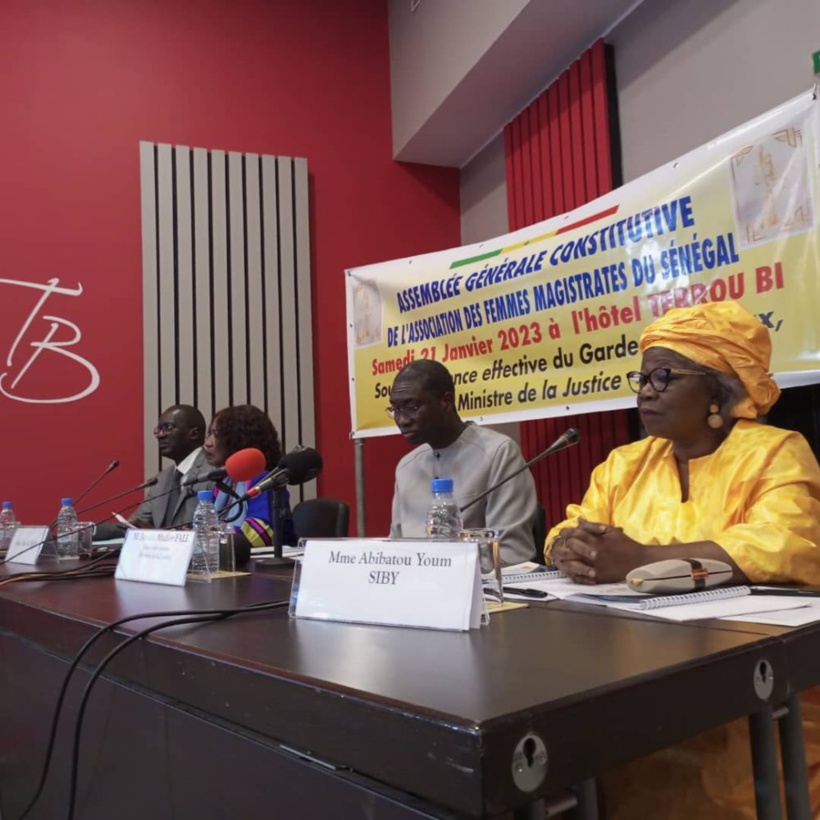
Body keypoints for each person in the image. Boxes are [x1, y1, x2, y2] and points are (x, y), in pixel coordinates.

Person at [547, 300, 820, 817]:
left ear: (718, 390)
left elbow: (785, 542)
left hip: (750, 687)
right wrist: (566, 546)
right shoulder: (625, 462)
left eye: (665, 377)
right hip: (632, 675)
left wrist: (641, 559)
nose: (646, 392)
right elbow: (575, 522)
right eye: (642, 378)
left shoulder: (775, 450)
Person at [388, 359, 537, 565]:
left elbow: (512, 553)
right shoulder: (406, 467)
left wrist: (446, 570)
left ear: (446, 401)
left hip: (478, 582)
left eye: (412, 407)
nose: (403, 420)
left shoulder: (498, 453)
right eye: (396, 410)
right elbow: (395, 548)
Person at [93, 404, 211, 540]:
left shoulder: (212, 472)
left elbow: (214, 530)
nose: (160, 435)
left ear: (194, 433)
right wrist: (89, 530)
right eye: (158, 430)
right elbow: (133, 526)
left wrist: (157, 535)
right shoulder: (161, 480)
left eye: (168, 427)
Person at [204, 404, 294, 551]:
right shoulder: (224, 483)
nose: (208, 443)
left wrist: (207, 538)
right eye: (210, 434)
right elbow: (204, 525)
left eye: (217, 435)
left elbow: (258, 536)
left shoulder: (265, 481)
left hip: (268, 563)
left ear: (240, 439)